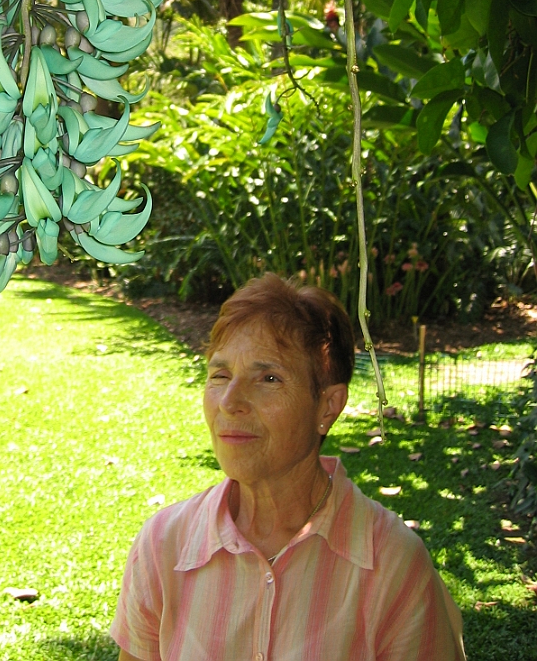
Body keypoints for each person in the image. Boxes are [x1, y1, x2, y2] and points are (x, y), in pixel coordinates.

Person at [110, 273, 465, 661]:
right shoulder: (163, 545)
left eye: (268, 378)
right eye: (220, 375)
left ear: (327, 406)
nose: (229, 401)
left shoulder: (392, 563)